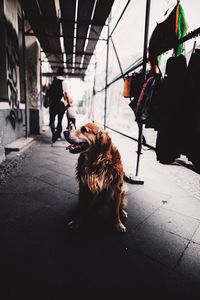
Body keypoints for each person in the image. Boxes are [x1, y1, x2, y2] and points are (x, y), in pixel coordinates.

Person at [47, 67, 68, 144]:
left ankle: (54, 133)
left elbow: (48, 92)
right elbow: (65, 95)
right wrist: (67, 104)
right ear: (63, 73)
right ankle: (58, 134)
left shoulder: (52, 81)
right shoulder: (64, 82)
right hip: (60, 104)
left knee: (52, 120)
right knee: (60, 121)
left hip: (52, 103)